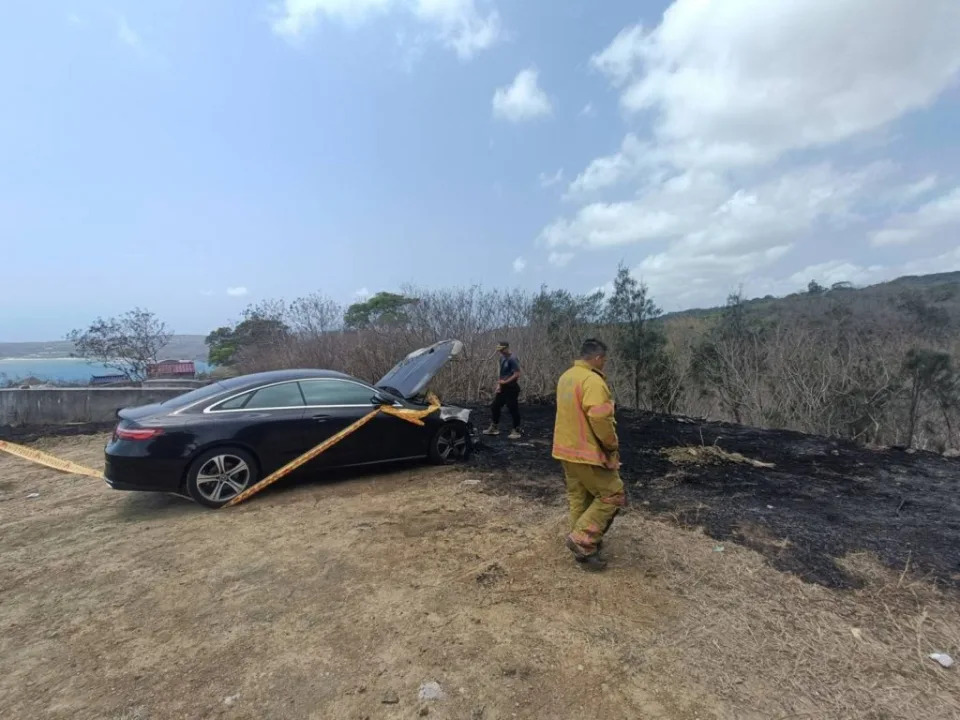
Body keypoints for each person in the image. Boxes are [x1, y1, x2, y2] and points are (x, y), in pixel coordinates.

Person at [551, 338, 626, 571]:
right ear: (597, 358)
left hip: (565, 450)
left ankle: (585, 551)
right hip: (587, 453)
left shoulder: (566, 376)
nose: (604, 364)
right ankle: (582, 540)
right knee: (613, 494)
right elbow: (600, 418)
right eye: (604, 360)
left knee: (579, 497)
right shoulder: (592, 381)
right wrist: (611, 445)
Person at [483, 341, 522, 440]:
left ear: (506, 348)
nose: (500, 351)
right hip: (503, 387)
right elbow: (502, 375)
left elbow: (517, 374)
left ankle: (516, 429)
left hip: (512, 388)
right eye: (499, 349)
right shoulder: (502, 358)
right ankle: (494, 427)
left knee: (512, 408)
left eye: (501, 349)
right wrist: (499, 385)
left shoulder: (512, 359)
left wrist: (506, 382)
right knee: (495, 406)